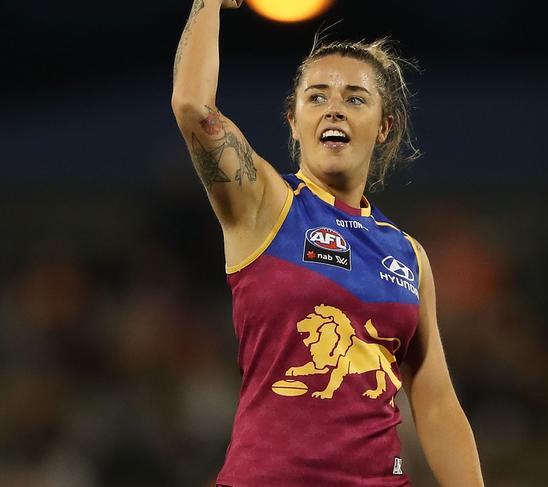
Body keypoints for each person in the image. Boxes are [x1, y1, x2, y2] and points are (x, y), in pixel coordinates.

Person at [171, 1, 485, 485]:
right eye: (316, 97)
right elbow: (193, 109)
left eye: (356, 98)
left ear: (385, 127)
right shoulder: (264, 205)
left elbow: (437, 403)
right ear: (293, 121)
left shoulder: (407, 254)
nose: (334, 106)